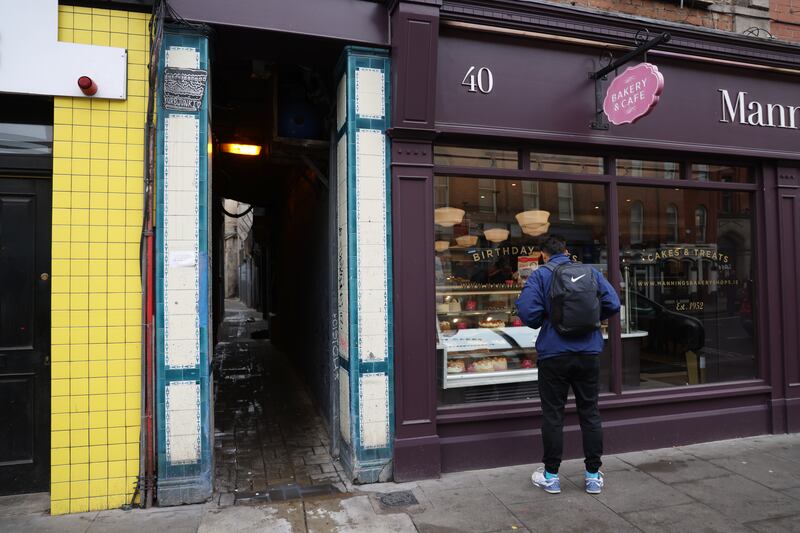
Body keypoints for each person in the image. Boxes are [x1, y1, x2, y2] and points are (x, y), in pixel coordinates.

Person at [516, 234, 620, 495]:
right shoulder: (591, 272)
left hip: (554, 354)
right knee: (590, 413)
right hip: (588, 353)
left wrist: (550, 319)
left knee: (553, 415)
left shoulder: (541, 275)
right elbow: (613, 303)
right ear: (567, 250)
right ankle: (593, 476)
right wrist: (591, 319)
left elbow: (528, 314)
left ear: (543, 254)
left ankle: (551, 477)